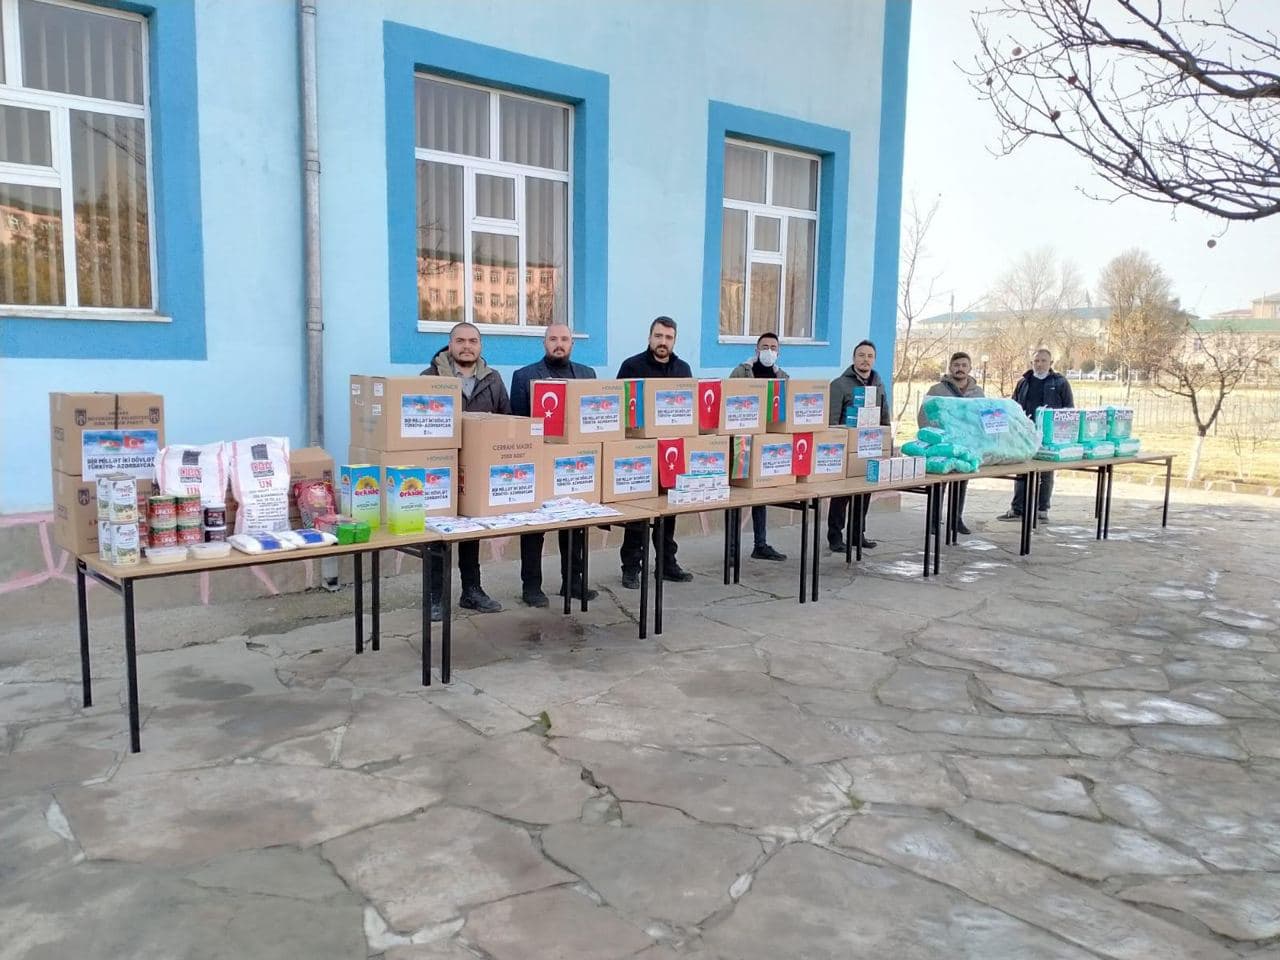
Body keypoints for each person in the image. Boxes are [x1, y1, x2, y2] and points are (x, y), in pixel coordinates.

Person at [421, 322, 509, 616]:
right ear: (450, 345)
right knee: (437, 534)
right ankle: (435, 597)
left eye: (473, 341)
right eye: (460, 341)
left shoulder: (493, 379)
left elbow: (505, 419)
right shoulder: (430, 377)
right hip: (439, 468)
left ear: (480, 346)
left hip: (477, 470)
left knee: (472, 533)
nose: (467, 346)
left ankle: (472, 591)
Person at [510, 323, 599, 608]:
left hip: (574, 465)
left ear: (572, 343)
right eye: (553, 339)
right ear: (544, 343)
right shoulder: (524, 376)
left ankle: (572, 582)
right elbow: (518, 425)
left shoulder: (587, 375)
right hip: (537, 464)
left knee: (575, 524)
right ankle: (531, 586)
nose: (558, 344)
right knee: (534, 529)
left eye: (564, 339)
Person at [616, 316, 695, 588]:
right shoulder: (632, 366)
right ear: (649, 337)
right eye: (658, 336)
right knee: (637, 515)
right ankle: (631, 568)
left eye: (668, 338)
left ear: (674, 341)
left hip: (672, 451)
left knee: (669, 512)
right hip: (640, 451)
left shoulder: (683, 369)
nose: (663, 342)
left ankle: (667, 564)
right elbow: (621, 407)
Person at [998, 348, 1074, 523]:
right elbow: (1014, 407)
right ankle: (1018, 510)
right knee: (1021, 470)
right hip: (1025, 433)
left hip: (1048, 434)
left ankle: (1042, 510)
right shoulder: (1024, 382)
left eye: (1043, 361)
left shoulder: (1060, 383)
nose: (1039, 364)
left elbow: (1069, 409)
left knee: (1046, 473)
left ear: (1051, 363)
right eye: (1036, 361)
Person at [827, 339, 890, 551]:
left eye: (870, 356)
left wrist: (887, 444)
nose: (865, 360)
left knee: (865, 492)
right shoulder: (839, 384)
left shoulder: (878, 385)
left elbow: (884, 416)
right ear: (854, 358)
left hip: (870, 446)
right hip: (846, 449)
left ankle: (857, 534)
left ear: (874, 360)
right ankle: (835, 537)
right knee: (841, 495)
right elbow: (832, 420)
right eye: (861, 355)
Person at [729, 332, 787, 561]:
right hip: (741, 440)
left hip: (767, 442)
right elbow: (728, 399)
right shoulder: (741, 372)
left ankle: (760, 544)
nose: (768, 351)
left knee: (760, 494)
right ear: (756, 350)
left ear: (778, 352)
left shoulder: (782, 377)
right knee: (737, 496)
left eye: (773, 347)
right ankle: (732, 549)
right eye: (765, 347)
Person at [918, 351, 985, 535]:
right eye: (956, 365)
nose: (960, 369)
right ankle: (933, 521)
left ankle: (956, 519)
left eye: (964, 365)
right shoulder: (937, 390)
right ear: (950, 368)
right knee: (939, 483)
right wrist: (932, 438)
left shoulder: (977, 392)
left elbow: (982, 418)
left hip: (965, 446)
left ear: (970, 368)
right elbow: (924, 415)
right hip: (943, 445)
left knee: (961, 482)